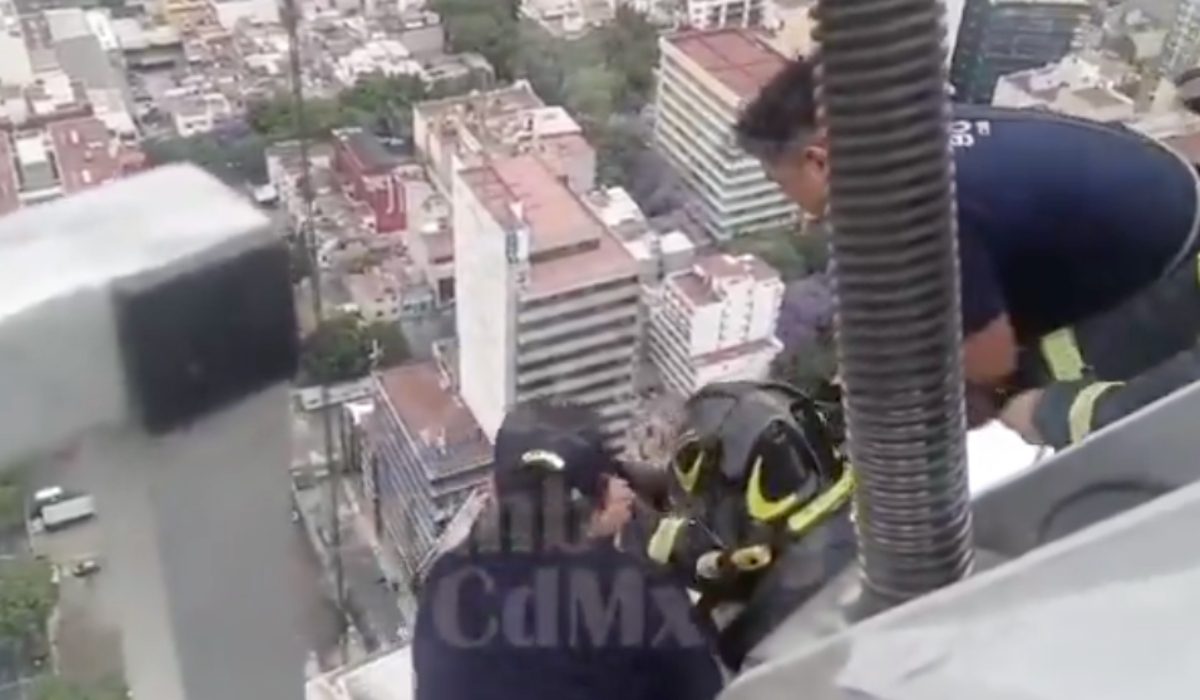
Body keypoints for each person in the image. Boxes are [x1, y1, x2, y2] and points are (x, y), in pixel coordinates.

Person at [734, 57, 1200, 448]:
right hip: (1162, 194)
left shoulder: (910, 207)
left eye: (779, 183)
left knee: (1000, 396)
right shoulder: (913, 139)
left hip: (1168, 273)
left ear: (818, 162)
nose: (785, 197)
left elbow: (992, 362)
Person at [413, 399, 723, 700]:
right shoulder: (647, 595)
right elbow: (706, 689)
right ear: (602, 497)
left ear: (493, 488)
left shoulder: (445, 578)